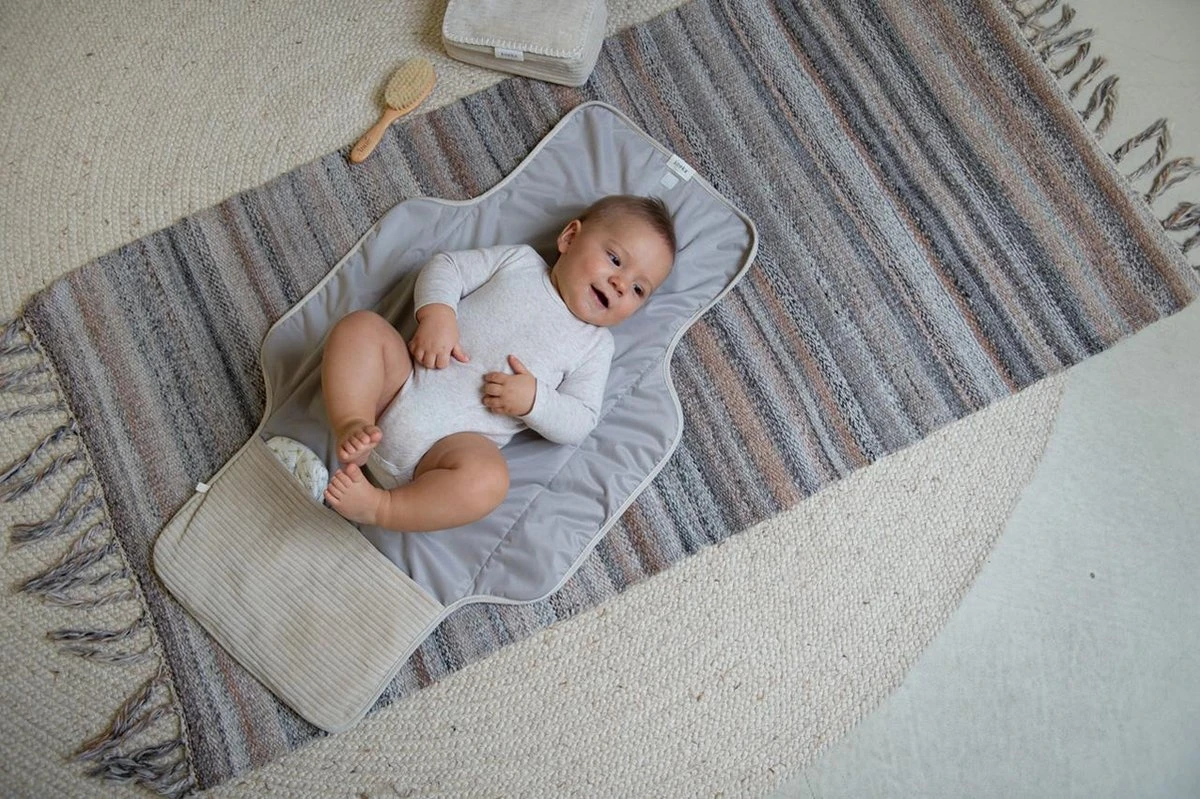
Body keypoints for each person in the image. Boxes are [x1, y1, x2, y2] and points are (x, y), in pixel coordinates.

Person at [320, 194, 677, 532]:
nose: (619, 284)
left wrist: (535, 401)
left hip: (448, 451)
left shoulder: (595, 346)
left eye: (638, 290)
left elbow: (581, 419)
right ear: (569, 237)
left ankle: (382, 507)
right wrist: (438, 315)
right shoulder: (518, 262)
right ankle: (353, 421)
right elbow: (447, 267)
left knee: (490, 481)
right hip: (399, 387)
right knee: (362, 328)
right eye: (615, 260)